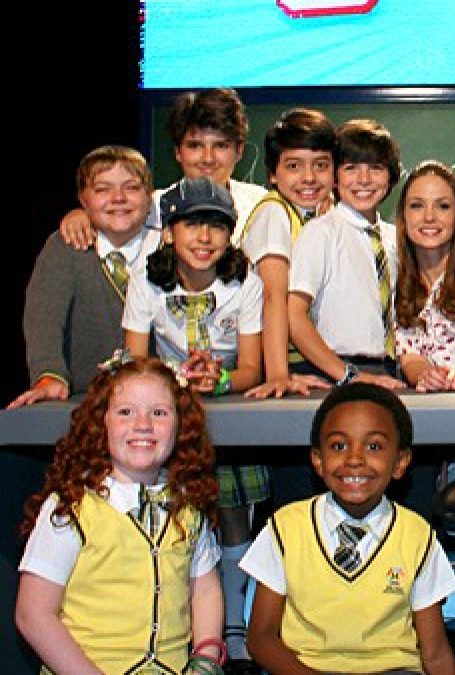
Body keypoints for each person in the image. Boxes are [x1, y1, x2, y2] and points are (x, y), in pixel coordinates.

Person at [121, 175, 266, 674]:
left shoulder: (244, 283)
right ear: (169, 232)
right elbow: (135, 360)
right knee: (180, 513)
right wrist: (176, 378)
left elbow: (252, 368)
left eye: (216, 226)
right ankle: (174, 622)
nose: (204, 237)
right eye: (191, 225)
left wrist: (219, 379)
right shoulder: (147, 280)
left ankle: (234, 625)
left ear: (230, 234)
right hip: (170, 409)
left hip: (229, 409)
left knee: (233, 510)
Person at [15, 355, 224, 673]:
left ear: (181, 424)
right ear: (102, 422)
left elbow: (204, 589)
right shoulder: (71, 508)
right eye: (126, 412)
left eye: (159, 412)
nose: (143, 424)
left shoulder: (187, 506)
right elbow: (33, 614)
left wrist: (206, 657)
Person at [241, 382, 455, 674]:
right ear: (318, 460)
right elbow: (261, 638)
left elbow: (435, 654)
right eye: (339, 446)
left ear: (400, 462)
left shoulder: (417, 536)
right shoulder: (285, 528)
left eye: (374, 446)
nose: (354, 459)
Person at [9, 146, 159, 408]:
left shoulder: (173, 246)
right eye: (102, 189)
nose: (118, 198)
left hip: (160, 400)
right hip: (85, 401)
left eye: (132, 188)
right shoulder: (64, 247)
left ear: (149, 197)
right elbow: (44, 319)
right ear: (83, 199)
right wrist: (49, 375)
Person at [59, 87, 268, 248]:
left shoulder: (262, 205)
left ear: (239, 151)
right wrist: (82, 216)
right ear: (178, 152)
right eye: (195, 146)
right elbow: (111, 218)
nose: (208, 158)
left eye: (220, 146)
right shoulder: (151, 208)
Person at [287, 118, 406, 390]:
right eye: (351, 168)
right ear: (335, 177)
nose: (364, 179)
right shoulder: (321, 232)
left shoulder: (395, 238)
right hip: (338, 370)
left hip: (392, 368)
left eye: (376, 168)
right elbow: (294, 315)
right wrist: (347, 375)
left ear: (391, 176)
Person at [240, 107, 338, 399]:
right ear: (273, 174)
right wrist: (278, 375)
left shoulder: (322, 214)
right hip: (282, 361)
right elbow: (274, 296)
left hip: (314, 357)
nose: (309, 177)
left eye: (321, 165)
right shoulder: (274, 212)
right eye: (294, 166)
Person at [394, 160, 455, 391]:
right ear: (403, 216)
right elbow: (409, 356)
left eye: (443, 206)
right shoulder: (396, 276)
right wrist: (425, 375)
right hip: (427, 402)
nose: (429, 217)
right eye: (417, 206)